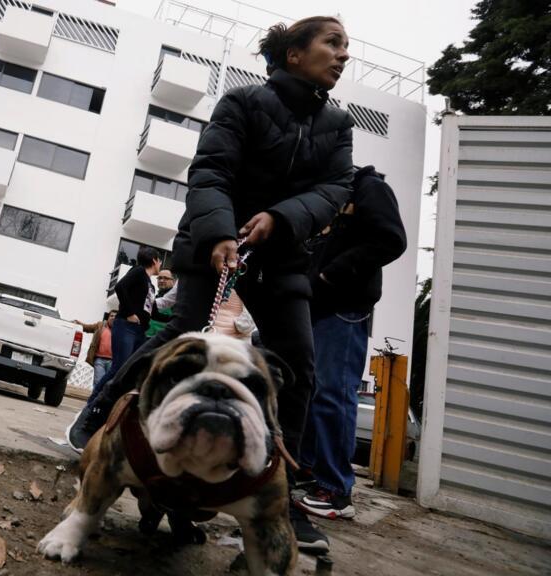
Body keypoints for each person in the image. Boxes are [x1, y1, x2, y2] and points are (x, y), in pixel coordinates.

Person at [66, 16, 354, 553]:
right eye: (332, 44)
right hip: (210, 233)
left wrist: (281, 217)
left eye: (346, 48)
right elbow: (211, 172)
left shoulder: (338, 125)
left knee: (299, 361)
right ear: (294, 54)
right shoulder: (243, 103)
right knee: (181, 330)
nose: (342, 56)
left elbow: (335, 188)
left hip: (284, 250)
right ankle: (99, 421)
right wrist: (220, 232)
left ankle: (282, 493)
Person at [295, 165, 406, 519]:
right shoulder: (329, 196)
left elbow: (391, 239)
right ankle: (312, 473)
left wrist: (331, 273)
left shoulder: (369, 187)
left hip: (345, 308)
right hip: (317, 307)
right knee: (313, 393)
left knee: (333, 394)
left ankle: (336, 491)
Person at [83, 246, 160, 407]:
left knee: (133, 368)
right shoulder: (138, 271)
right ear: (154, 260)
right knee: (119, 367)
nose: (160, 264)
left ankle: (113, 404)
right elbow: (120, 287)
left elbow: (153, 311)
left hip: (139, 331)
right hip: (126, 327)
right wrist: (130, 313)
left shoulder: (149, 283)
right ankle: (93, 402)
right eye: (160, 260)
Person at [75, 310, 117, 393]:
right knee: (98, 382)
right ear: (108, 318)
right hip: (99, 359)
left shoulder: (121, 330)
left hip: (113, 361)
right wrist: (78, 323)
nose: (113, 318)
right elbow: (87, 327)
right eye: (111, 316)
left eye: (115, 316)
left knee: (108, 383)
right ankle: (94, 402)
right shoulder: (100, 325)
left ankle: (102, 402)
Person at [145, 269, 175, 339]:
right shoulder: (155, 297)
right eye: (160, 278)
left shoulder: (177, 300)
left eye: (166, 278)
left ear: (173, 281)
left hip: (164, 340)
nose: (161, 280)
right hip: (146, 337)